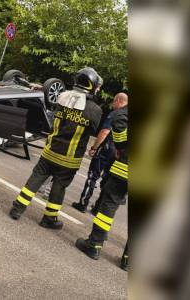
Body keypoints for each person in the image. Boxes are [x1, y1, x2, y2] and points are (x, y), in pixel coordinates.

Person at [9, 67, 103, 230]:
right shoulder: (95, 110)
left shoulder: (62, 97)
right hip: (70, 159)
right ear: (92, 86)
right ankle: (49, 218)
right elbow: (93, 129)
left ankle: (17, 209)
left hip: (50, 151)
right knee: (59, 187)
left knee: (36, 179)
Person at [75, 92, 128, 260]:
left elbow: (118, 121)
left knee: (108, 206)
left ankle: (94, 245)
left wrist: (121, 147)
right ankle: (127, 260)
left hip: (125, 169)